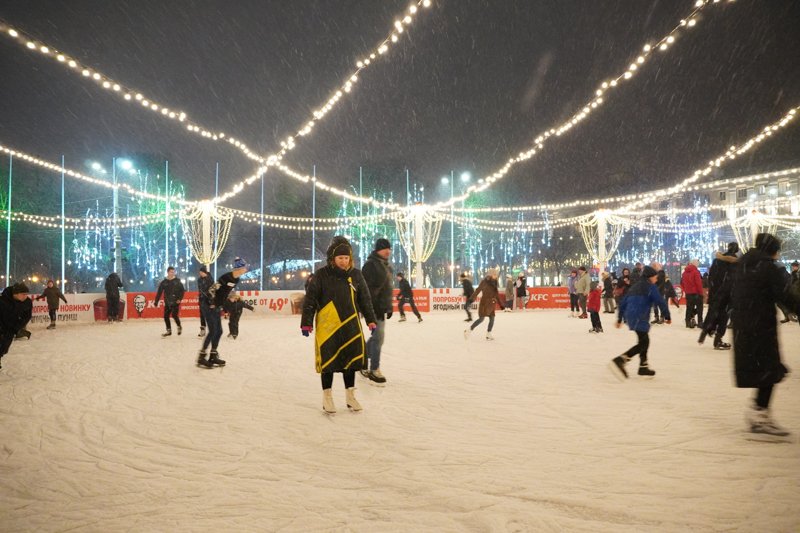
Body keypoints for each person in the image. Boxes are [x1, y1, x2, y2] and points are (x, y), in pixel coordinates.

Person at [301, 236, 377, 414]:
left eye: (346, 258)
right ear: (332, 259)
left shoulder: (356, 275)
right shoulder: (321, 275)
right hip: (328, 325)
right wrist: (306, 322)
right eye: (340, 258)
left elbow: (365, 299)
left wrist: (371, 319)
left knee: (350, 361)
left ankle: (350, 397)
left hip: (351, 323)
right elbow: (310, 299)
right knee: (329, 361)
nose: (344, 261)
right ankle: (327, 397)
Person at [731, 233, 795, 440]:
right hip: (760, 325)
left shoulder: (743, 265)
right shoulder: (767, 267)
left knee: (766, 369)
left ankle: (758, 411)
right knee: (770, 369)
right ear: (772, 250)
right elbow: (785, 295)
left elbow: (726, 291)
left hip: (744, 325)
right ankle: (759, 415)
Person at [609, 265, 671, 380]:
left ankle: (643, 366)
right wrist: (667, 316)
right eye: (654, 277)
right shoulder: (650, 287)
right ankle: (621, 360)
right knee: (644, 343)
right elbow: (660, 301)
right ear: (649, 277)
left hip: (632, 316)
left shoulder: (634, 287)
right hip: (640, 316)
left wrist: (619, 319)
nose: (656, 279)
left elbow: (623, 303)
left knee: (644, 340)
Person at [197, 257, 248, 368]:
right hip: (208, 305)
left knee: (219, 331)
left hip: (216, 306)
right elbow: (212, 290)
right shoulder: (226, 277)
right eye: (244, 267)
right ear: (238, 268)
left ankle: (213, 355)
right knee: (212, 331)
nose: (246, 269)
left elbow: (224, 294)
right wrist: (212, 302)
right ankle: (201, 357)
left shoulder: (236, 280)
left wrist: (222, 307)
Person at [361, 238, 393, 384]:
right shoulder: (370, 265)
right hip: (373, 307)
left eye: (389, 248)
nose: (388, 251)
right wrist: (370, 307)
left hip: (381, 307)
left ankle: (362, 358)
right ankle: (374, 369)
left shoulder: (386, 266)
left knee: (376, 338)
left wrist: (389, 306)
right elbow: (365, 289)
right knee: (378, 338)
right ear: (378, 250)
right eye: (385, 248)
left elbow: (387, 290)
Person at [699, 242, 739, 349]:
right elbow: (736, 280)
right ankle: (718, 339)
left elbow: (711, 276)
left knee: (713, 311)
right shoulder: (735, 261)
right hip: (727, 293)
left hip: (715, 292)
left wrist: (714, 288)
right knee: (724, 316)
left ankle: (706, 330)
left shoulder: (717, 260)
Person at [0, 283, 33, 370]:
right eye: (23, 294)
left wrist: (18, 326)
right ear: (16, 293)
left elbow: (27, 316)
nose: (25, 296)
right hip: (1, 326)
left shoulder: (27, 302)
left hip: (11, 329)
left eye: (27, 294)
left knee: (4, 348)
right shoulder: (3, 300)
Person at [464, 268, 504, 340]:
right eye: (495, 274)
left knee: (492, 318)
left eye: (496, 275)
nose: (496, 276)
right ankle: (469, 330)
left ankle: (488, 334)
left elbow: (496, 294)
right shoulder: (484, 282)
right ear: (491, 275)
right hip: (484, 303)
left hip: (491, 304)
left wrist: (501, 304)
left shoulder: (495, 282)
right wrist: (471, 299)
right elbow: (477, 290)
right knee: (481, 319)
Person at [154, 266, 185, 337]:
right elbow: (159, 292)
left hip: (175, 302)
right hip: (167, 302)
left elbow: (182, 291)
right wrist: (156, 301)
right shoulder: (164, 282)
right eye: (171, 272)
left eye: (173, 272)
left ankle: (179, 326)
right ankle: (169, 331)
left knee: (174, 315)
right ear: (168, 272)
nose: (172, 273)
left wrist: (179, 299)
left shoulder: (177, 281)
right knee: (166, 316)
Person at [681, 259, 703, 328]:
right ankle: (700, 322)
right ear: (696, 264)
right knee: (700, 308)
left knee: (689, 308)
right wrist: (701, 293)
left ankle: (688, 322)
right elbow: (698, 284)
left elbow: (682, 283)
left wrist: (686, 290)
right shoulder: (696, 272)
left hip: (688, 294)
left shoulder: (684, 273)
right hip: (696, 293)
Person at [197, 266, 212, 337]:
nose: (200, 274)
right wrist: (200, 296)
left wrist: (209, 296)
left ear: (205, 272)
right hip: (202, 299)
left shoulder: (210, 279)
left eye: (201, 273)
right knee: (202, 315)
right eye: (200, 273)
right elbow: (200, 289)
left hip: (209, 300)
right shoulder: (199, 280)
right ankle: (202, 329)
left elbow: (213, 289)